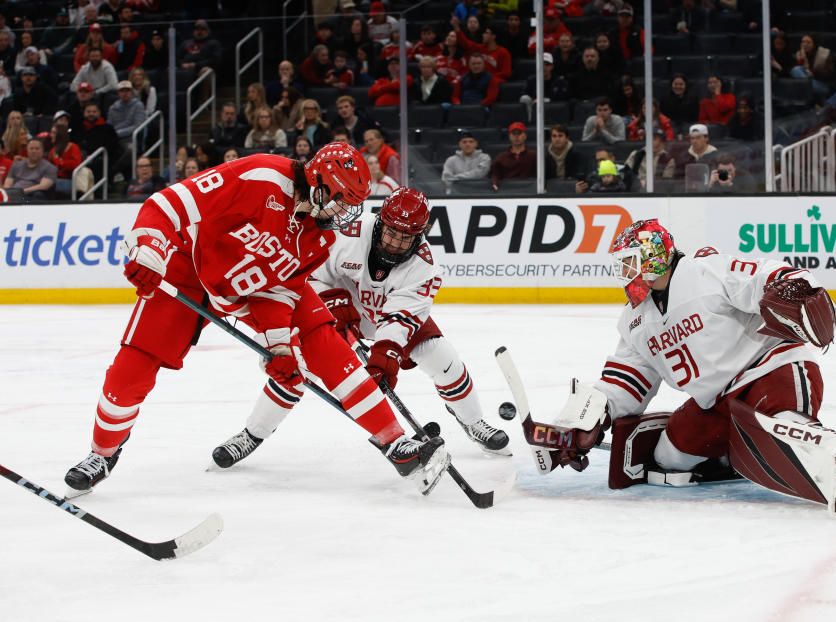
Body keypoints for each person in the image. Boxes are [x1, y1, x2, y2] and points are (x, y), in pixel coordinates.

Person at [62, 144, 450, 497]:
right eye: (341, 202)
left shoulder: (318, 238)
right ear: (318, 184)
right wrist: (149, 247)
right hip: (187, 267)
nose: (343, 214)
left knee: (322, 339)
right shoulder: (259, 175)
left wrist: (280, 345)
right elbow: (168, 204)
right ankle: (102, 453)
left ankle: (394, 443)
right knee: (133, 369)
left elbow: (276, 290)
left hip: (248, 288)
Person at [529, 218, 836, 523]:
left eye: (630, 262)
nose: (625, 274)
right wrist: (589, 418)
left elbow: (765, 276)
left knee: (781, 429)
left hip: (771, 371)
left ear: (654, 255)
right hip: (717, 403)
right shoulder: (634, 322)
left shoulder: (704, 271)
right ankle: (736, 453)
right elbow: (626, 380)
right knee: (669, 459)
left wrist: (795, 287)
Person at [213, 187, 510, 468]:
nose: (395, 242)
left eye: (405, 237)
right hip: (335, 309)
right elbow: (308, 272)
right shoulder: (348, 233)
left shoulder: (425, 267)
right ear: (381, 222)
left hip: (387, 317)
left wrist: (384, 359)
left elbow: (400, 319)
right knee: (299, 365)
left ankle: (473, 422)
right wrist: (331, 306)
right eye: (392, 232)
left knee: (439, 354)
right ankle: (252, 433)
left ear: (421, 235)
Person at [46, 112, 84, 197]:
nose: (51, 135)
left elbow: (75, 165)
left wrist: (58, 162)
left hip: (70, 180)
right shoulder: (53, 150)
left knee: (50, 184)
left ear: (60, 135)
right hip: (55, 179)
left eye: (53, 133)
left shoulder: (73, 147)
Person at [791, 34, 835, 104]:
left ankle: (815, 101)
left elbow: (830, 73)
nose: (805, 44)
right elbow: (795, 73)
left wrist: (813, 72)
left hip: (822, 85)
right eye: (803, 42)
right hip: (808, 85)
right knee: (796, 69)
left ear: (814, 43)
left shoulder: (825, 53)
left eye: (808, 42)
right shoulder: (799, 54)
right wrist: (802, 58)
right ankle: (817, 101)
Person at [491, 122, 536, 191]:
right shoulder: (500, 158)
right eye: (513, 134)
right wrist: (495, 183)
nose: (516, 136)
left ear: (525, 136)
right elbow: (495, 175)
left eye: (519, 133)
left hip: (530, 191)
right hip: (507, 191)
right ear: (509, 136)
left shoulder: (535, 156)